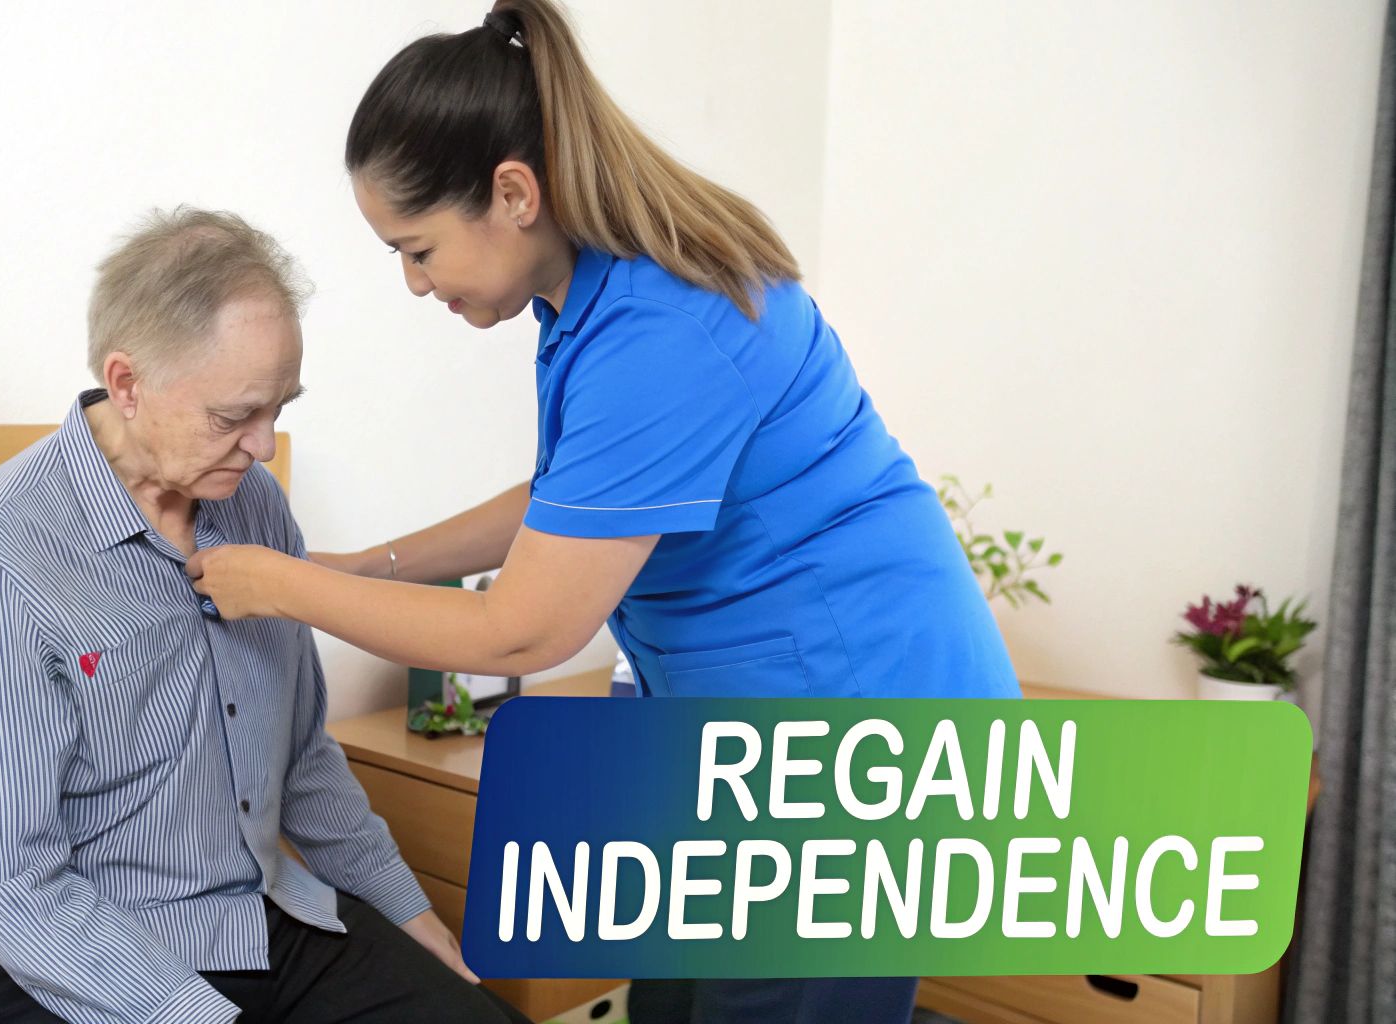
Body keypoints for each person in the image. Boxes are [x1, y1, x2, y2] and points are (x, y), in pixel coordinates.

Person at [185, 2, 1022, 1021]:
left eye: (417, 248)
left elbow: (524, 628)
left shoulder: (661, 326)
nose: (411, 283)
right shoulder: (593, 297)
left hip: (857, 732)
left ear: (512, 192)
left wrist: (285, 586)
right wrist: (371, 564)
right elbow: (571, 499)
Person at [0, 207, 531, 1024]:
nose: (265, 445)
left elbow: (302, 757)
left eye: (280, 407)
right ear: (127, 384)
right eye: (234, 417)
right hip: (37, 951)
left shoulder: (252, 504)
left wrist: (409, 916)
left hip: (247, 913)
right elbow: (10, 883)